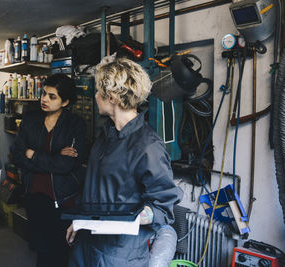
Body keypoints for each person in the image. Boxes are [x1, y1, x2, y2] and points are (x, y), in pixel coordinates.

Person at [66, 57, 182, 267]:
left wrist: (130, 218)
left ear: (111, 96)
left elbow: (163, 208)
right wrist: (80, 222)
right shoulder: (105, 136)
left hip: (118, 254)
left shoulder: (148, 146)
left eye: (98, 91)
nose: (95, 96)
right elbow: (95, 186)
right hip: (87, 244)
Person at [12, 73, 86, 267]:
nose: (44, 99)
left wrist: (33, 154)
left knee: (60, 250)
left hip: (61, 198)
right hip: (34, 194)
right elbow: (17, 155)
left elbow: (66, 165)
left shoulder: (75, 124)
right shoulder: (31, 118)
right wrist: (53, 157)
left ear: (65, 101)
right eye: (44, 93)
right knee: (40, 248)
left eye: (52, 96)